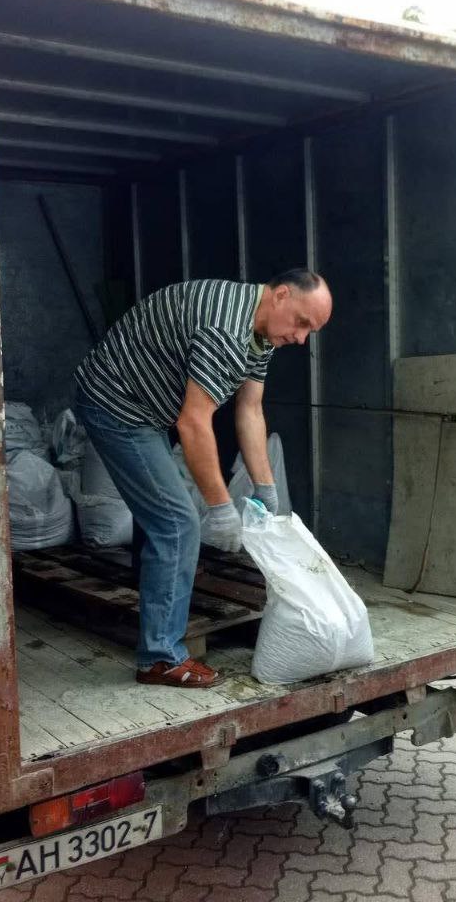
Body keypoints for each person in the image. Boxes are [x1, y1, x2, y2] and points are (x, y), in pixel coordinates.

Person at [73, 270, 332, 688]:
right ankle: (160, 658)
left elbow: (249, 409)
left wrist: (265, 488)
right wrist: (221, 508)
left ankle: (155, 587)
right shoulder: (226, 331)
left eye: (311, 331)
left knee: (161, 510)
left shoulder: (262, 331)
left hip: (146, 407)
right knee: (178, 523)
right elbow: (193, 423)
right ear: (281, 295)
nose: (301, 339)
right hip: (116, 404)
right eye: (302, 323)